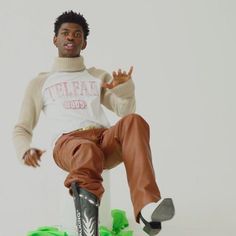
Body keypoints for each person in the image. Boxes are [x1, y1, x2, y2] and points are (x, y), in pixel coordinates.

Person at [13, 11, 175, 236]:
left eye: (77, 34)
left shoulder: (97, 76)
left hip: (102, 138)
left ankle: (147, 208)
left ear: (84, 42)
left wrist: (124, 88)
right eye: (65, 33)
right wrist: (24, 149)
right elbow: (22, 127)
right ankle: (88, 227)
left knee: (134, 122)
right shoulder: (40, 82)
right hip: (68, 144)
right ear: (55, 39)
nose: (70, 38)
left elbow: (125, 111)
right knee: (86, 150)